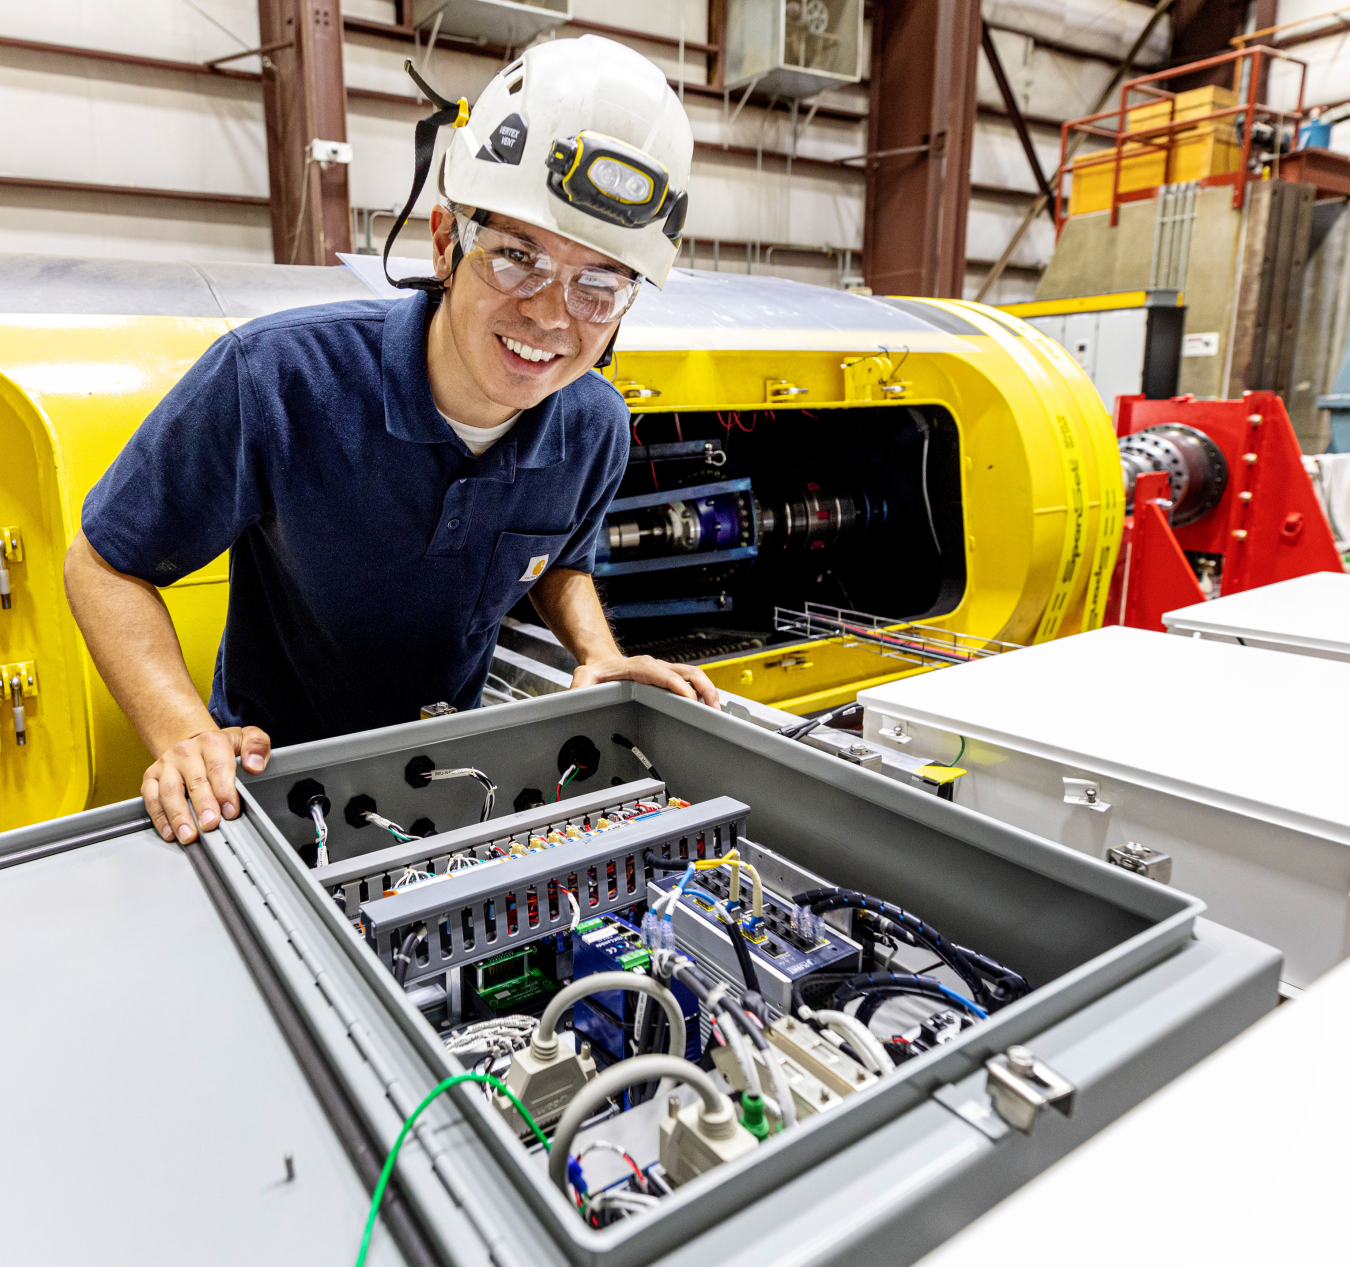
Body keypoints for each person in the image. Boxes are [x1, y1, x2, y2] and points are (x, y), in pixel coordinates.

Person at [63, 35, 716, 849]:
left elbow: (561, 556)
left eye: (601, 283)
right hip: (271, 788)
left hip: (453, 783)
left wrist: (598, 651)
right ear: (445, 239)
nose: (551, 316)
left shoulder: (595, 425)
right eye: (517, 256)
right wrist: (185, 734)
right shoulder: (277, 378)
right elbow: (103, 560)